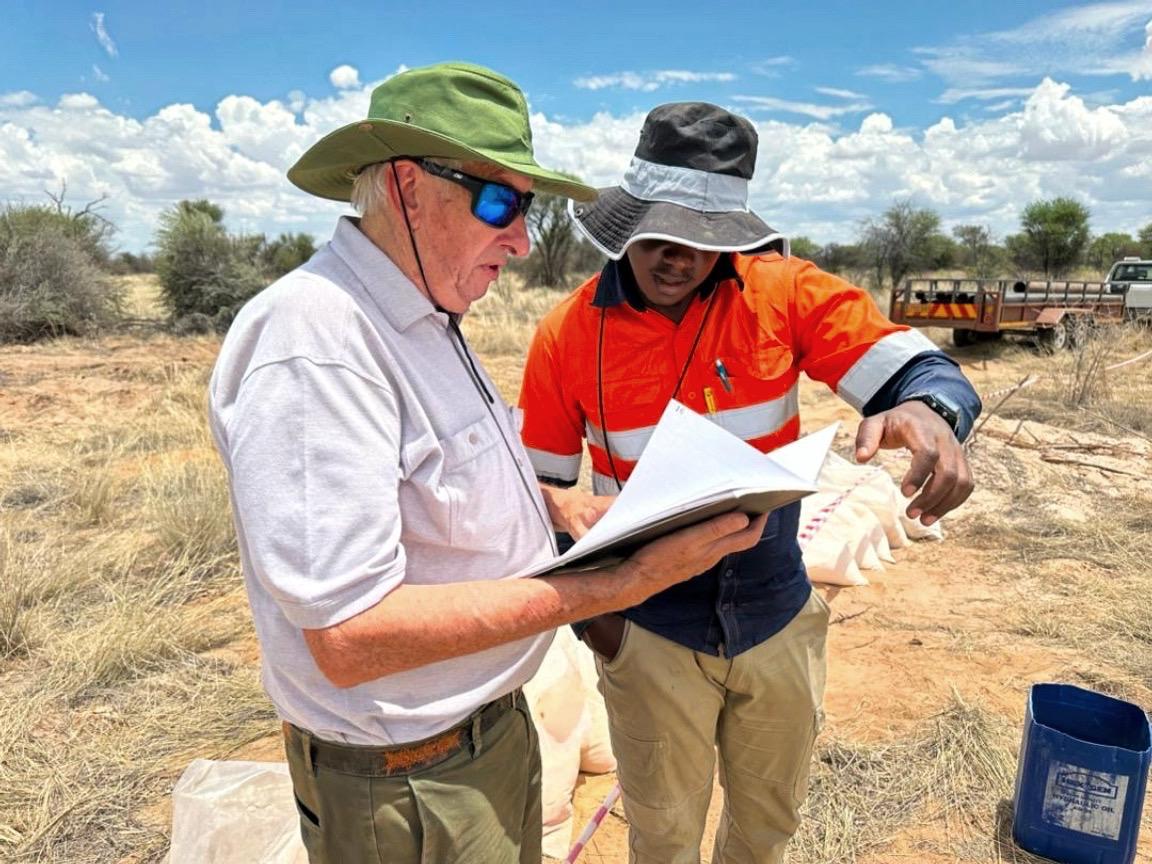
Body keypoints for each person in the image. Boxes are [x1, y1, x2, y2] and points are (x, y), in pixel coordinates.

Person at [208, 68, 767, 864]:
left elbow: (439, 487)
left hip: (478, 740)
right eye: (498, 202)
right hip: (407, 780)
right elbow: (349, 634)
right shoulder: (318, 345)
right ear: (407, 184)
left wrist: (560, 511)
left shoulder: (426, 316)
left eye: (526, 208)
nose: (521, 240)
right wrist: (617, 586)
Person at [518, 102, 982, 864]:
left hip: (775, 608)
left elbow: (921, 367)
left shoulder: (782, 296)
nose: (679, 258)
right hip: (650, 623)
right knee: (664, 837)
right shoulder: (567, 336)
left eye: (703, 240)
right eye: (662, 235)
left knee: (767, 828)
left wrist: (932, 411)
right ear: (628, 222)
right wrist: (599, 626)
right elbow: (539, 503)